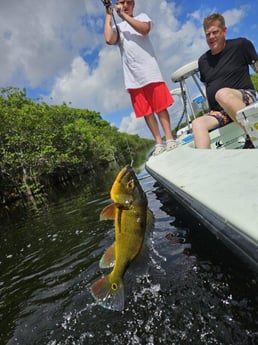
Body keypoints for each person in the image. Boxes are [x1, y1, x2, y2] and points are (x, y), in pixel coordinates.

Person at [103, 0, 177, 156]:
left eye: (128, 2)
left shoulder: (142, 17)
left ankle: (169, 138)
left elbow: (144, 29)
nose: (125, 5)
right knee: (147, 112)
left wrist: (123, 15)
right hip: (133, 79)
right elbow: (109, 39)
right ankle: (159, 142)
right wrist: (109, 14)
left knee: (160, 107)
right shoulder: (119, 28)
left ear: (133, 5)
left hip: (151, 73)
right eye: (121, 2)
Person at [192, 13, 258, 149]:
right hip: (220, 110)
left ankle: (253, 135)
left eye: (215, 32)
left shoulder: (241, 45)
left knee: (222, 94)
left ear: (224, 31)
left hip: (245, 97)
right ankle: (206, 166)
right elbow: (207, 85)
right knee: (197, 123)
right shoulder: (203, 61)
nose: (211, 37)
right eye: (207, 34)